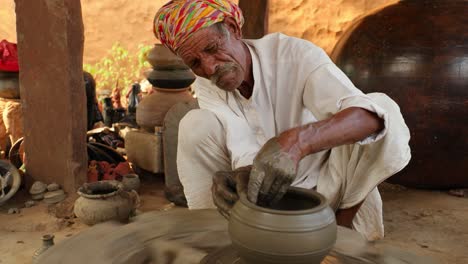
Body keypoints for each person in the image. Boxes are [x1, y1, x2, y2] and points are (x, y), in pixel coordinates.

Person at [154, 0, 411, 240]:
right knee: (194, 124)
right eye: (195, 62)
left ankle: (342, 236)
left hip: (331, 189)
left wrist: (297, 142)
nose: (210, 68)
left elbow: (369, 118)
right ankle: (217, 236)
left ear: (233, 29)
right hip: (265, 195)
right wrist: (236, 178)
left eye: (212, 49)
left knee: (381, 107)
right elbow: (241, 144)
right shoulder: (208, 84)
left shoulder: (293, 54)